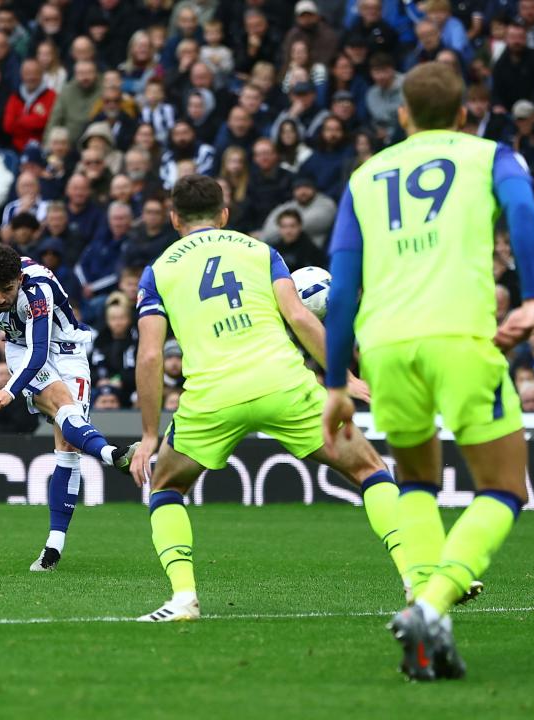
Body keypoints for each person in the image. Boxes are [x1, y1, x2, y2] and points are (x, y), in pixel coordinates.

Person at [323, 62, 534, 681]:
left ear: (402, 116)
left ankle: (424, 615)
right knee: (505, 488)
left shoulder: (365, 177)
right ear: (464, 113)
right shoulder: (490, 155)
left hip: (387, 347)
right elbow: (523, 210)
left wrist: (337, 382)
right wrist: (532, 296)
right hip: (459, 336)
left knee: (417, 480)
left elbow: (342, 290)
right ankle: (433, 600)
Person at [129, 174, 410, 623]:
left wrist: (147, 435)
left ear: (173, 218)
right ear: (224, 214)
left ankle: (183, 599)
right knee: (370, 469)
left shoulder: (158, 270)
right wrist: (344, 376)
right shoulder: (260, 251)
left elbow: (149, 356)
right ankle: (417, 578)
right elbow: (298, 316)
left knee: (165, 487)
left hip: (212, 396)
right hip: (283, 381)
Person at [0, 245, 138, 571]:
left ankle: (53, 547)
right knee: (61, 408)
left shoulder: (37, 293)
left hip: (66, 351)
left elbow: (39, 353)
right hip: (18, 350)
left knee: (68, 445)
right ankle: (114, 456)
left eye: (6, 290)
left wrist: (10, 392)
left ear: (20, 279)